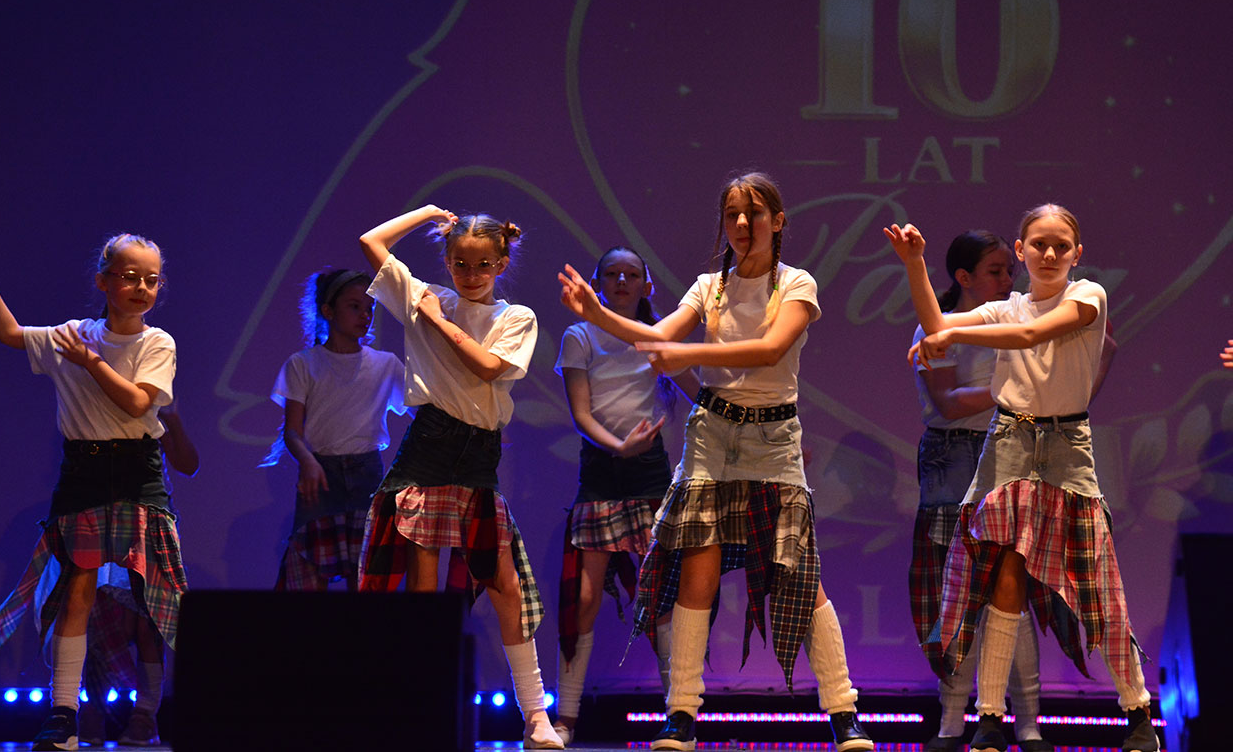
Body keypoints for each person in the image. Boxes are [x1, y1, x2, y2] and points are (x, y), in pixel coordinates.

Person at [559, 172, 875, 752]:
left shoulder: (796, 283)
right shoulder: (709, 286)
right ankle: (681, 714)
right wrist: (596, 315)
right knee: (697, 573)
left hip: (772, 441)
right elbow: (657, 335)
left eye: (754, 213)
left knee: (798, 576)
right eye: (733, 214)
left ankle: (843, 712)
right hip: (712, 436)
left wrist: (685, 353)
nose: (743, 224)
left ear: (777, 221)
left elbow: (770, 350)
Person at [885, 205, 1159, 752]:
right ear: (1021, 250)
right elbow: (937, 324)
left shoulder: (1088, 295)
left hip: (1065, 446)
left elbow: (1033, 333)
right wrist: (914, 265)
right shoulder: (1005, 307)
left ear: (1077, 254)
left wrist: (952, 339)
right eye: (1039, 244)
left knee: (1096, 577)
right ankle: (990, 716)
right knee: (1002, 574)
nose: (1050, 254)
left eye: (1061, 245)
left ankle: (1137, 711)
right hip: (1009, 440)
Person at [0, 234, 187, 752]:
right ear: (103, 281)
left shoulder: (157, 343)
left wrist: (92, 363)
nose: (141, 287)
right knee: (77, 589)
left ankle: (151, 712)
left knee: (152, 596)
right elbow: (11, 333)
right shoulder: (72, 336)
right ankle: (63, 713)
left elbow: (137, 403)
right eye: (129, 277)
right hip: (84, 472)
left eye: (152, 280)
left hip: (136, 472)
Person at [356, 206, 563, 749]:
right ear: (447, 261)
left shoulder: (515, 317)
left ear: (501, 264)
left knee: (505, 586)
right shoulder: (425, 295)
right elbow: (371, 241)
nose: (471, 275)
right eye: (460, 263)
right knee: (424, 591)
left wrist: (438, 320)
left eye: (483, 264)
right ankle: (424, 709)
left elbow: (488, 368)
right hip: (428, 448)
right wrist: (430, 213)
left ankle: (535, 716)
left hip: (476, 457)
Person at [907, 232, 1050, 752]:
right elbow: (948, 402)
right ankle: (951, 722)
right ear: (964, 277)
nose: (1008, 279)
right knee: (958, 597)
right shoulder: (939, 328)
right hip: (952, 457)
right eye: (995, 271)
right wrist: (1011, 389)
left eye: (1009, 270)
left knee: (1010, 594)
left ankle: (1027, 723)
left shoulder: (1018, 321)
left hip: (1011, 448)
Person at [552, 246, 699, 747]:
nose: (620, 281)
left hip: (649, 475)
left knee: (660, 598)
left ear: (646, 285)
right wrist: (618, 448)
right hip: (602, 473)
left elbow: (701, 395)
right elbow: (581, 414)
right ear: (596, 284)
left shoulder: (657, 339)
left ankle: (677, 716)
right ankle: (566, 716)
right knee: (584, 598)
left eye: (630, 274)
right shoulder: (580, 336)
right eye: (611, 274)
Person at [262, 267, 408, 591]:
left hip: (367, 474)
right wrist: (308, 462)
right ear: (328, 311)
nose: (365, 315)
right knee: (308, 575)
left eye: (369, 308)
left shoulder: (385, 364)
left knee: (366, 576)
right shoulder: (303, 364)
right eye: (354, 306)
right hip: (321, 476)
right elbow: (292, 431)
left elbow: (423, 411)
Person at [69, 400, 199, 747]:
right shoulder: (95, 405)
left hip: (147, 522)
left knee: (148, 623)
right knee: (101, 620)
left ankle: (145, 716)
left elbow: (188, 464)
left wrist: (173, 419)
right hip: (102, 521)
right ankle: (93, 708)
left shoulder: (149, 403)